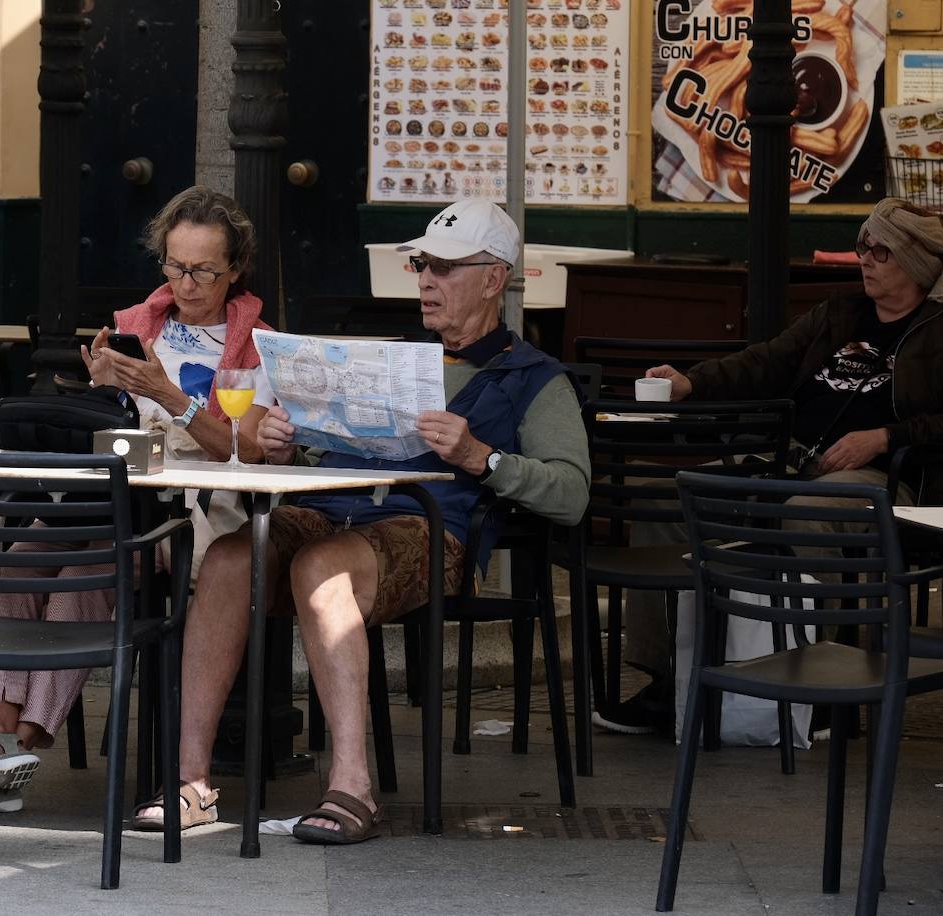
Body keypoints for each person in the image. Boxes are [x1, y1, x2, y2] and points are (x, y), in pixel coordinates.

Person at [133, 199, 590, 842]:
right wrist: (295, 444)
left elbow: (571, 495)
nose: (427, 280)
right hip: (328, 509)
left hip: (434, 531)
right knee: (233, 555)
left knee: (321, 568)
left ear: (494, 279)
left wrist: (482, 458)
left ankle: (353, 787)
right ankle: (190, 784)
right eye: (422, 264)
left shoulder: (534, 377)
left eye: (446, 269)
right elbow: (330, 452)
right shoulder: (395, 363)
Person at [0, 186, 275, 814]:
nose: (187, 283)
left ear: (235, 271)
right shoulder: (135, 326)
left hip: (192, 513)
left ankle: (12, 746)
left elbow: (247, 450)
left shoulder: (261, 345)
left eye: (204, 270)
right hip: (109, 500)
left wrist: (172, 397)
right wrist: (103, 393)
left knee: (83, 578)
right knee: (18, 561)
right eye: (175, 266)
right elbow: (109, 430)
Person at [602, 196, 943, 736]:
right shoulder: (839, 313)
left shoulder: (938, 329)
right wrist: (694, 381)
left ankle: (824, 688)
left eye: (881, 250)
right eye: (863, 246)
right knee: (670, 496)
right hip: (792, 457)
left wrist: (883, 437)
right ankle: (670, 679)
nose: (866, 259)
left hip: (888, 476)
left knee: (808, 508)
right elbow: (768, 359)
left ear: (918, 263)